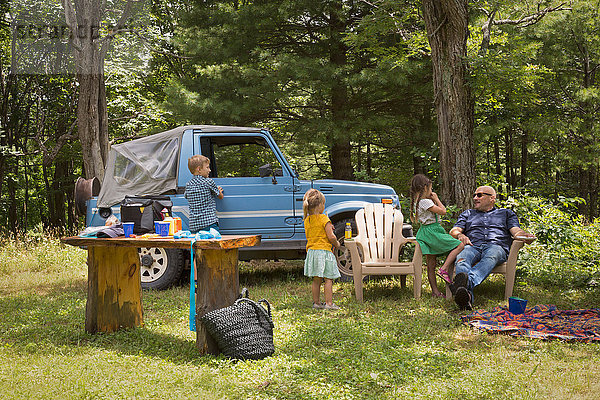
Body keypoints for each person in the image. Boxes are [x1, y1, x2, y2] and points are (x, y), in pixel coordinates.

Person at [449, 185, 535, 310]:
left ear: (492, 198)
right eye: (474, 195)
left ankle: (465, 283)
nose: (475, 198)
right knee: (463, 256)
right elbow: (454, 230)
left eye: (479, 195)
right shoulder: (468, 213)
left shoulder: (505, 213)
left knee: (492, 254)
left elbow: (515, 231)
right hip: (472, 245)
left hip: (496, 246)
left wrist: (524, 235)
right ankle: (466, 297)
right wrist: (460, 235)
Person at [410, 174, 464, 298]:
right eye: (430, 189)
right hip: (432, 231)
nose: (432, 191)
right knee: (459, 245)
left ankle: (435, 292)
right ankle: (444, 269)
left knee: (431, 264)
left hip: (426, 232)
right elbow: (443, 211)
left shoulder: (418, 201)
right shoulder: (425, 202)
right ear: (425, 188)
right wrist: (437, 199)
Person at [303, 188, 341, 310]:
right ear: (319, 205)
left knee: (316, 279)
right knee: (328, 278)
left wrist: (328, 227)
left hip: (312, 252)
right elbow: (331, 236)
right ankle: (329, 304)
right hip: (324, 252)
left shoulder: (307, 220)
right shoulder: (324, 219)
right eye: (323, 204)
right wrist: (337, 244)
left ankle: (316, 303)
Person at [184, 155, 224, 233]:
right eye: (207, 167)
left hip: (194, 226)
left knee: (198, 245)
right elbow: (220, 196)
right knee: (212, 244)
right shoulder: (208, 182)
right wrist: (219, 192)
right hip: (209, 224)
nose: (209, 170)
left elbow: (186, 196)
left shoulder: (188, 184)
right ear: (199, 169)